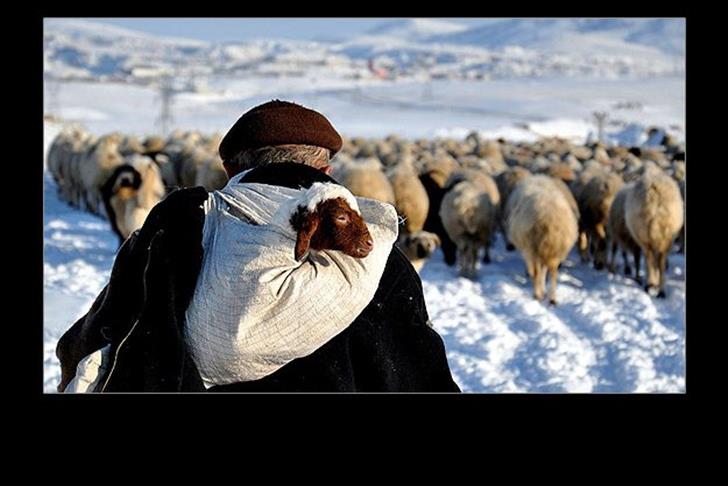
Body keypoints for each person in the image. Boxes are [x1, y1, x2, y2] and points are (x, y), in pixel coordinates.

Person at [56, 100, 460, 392]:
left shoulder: (174, 229)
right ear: (326, 169)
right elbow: (418, 372)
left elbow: (91, 342)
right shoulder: (369, 251)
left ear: (230, 168)